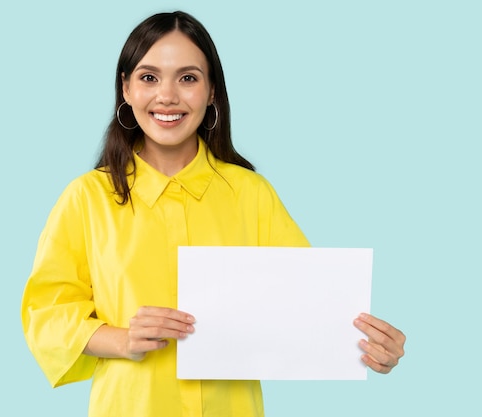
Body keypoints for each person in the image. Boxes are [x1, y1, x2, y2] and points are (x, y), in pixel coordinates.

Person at [21, 10, 406, 417]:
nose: (167, 96)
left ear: (211, 93)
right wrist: (122, 339)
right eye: (149, 77)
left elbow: (307, 308)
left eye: (188, 78)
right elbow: (47, 316)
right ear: (126, 89)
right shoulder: (87, 197)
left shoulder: (251, 194)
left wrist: (368, 345)